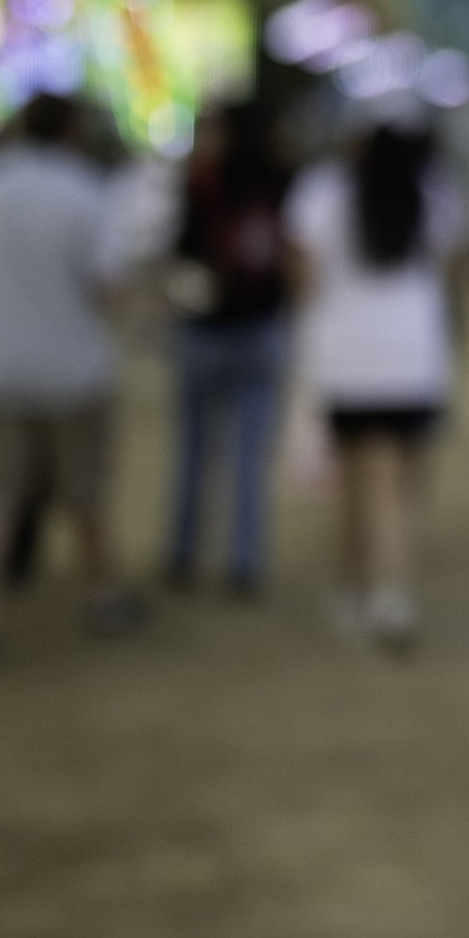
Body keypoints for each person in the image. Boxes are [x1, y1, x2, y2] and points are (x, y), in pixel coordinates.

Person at [0, 87, 143, 653]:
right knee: (86, 494)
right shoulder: (85, 193)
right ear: (72, 131)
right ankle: (102, 597)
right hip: (75, 369)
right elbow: (108, 287)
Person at [285, 105, 469, 646]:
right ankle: (378, 589)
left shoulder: (323, 190)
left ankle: (373, 592)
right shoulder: (433, 191)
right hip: (416, 359)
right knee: (399, 484)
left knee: (359, 483)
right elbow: (456, 264)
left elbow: (302, 276)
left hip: (347, 361)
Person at [163, 98, 292, 595]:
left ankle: (183, 551)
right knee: (249, 455)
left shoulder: (202, 182)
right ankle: (245, 560)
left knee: (193, 448)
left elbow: (182, 252)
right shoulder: (283, 182)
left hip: (204, 329)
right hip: (261, 328)